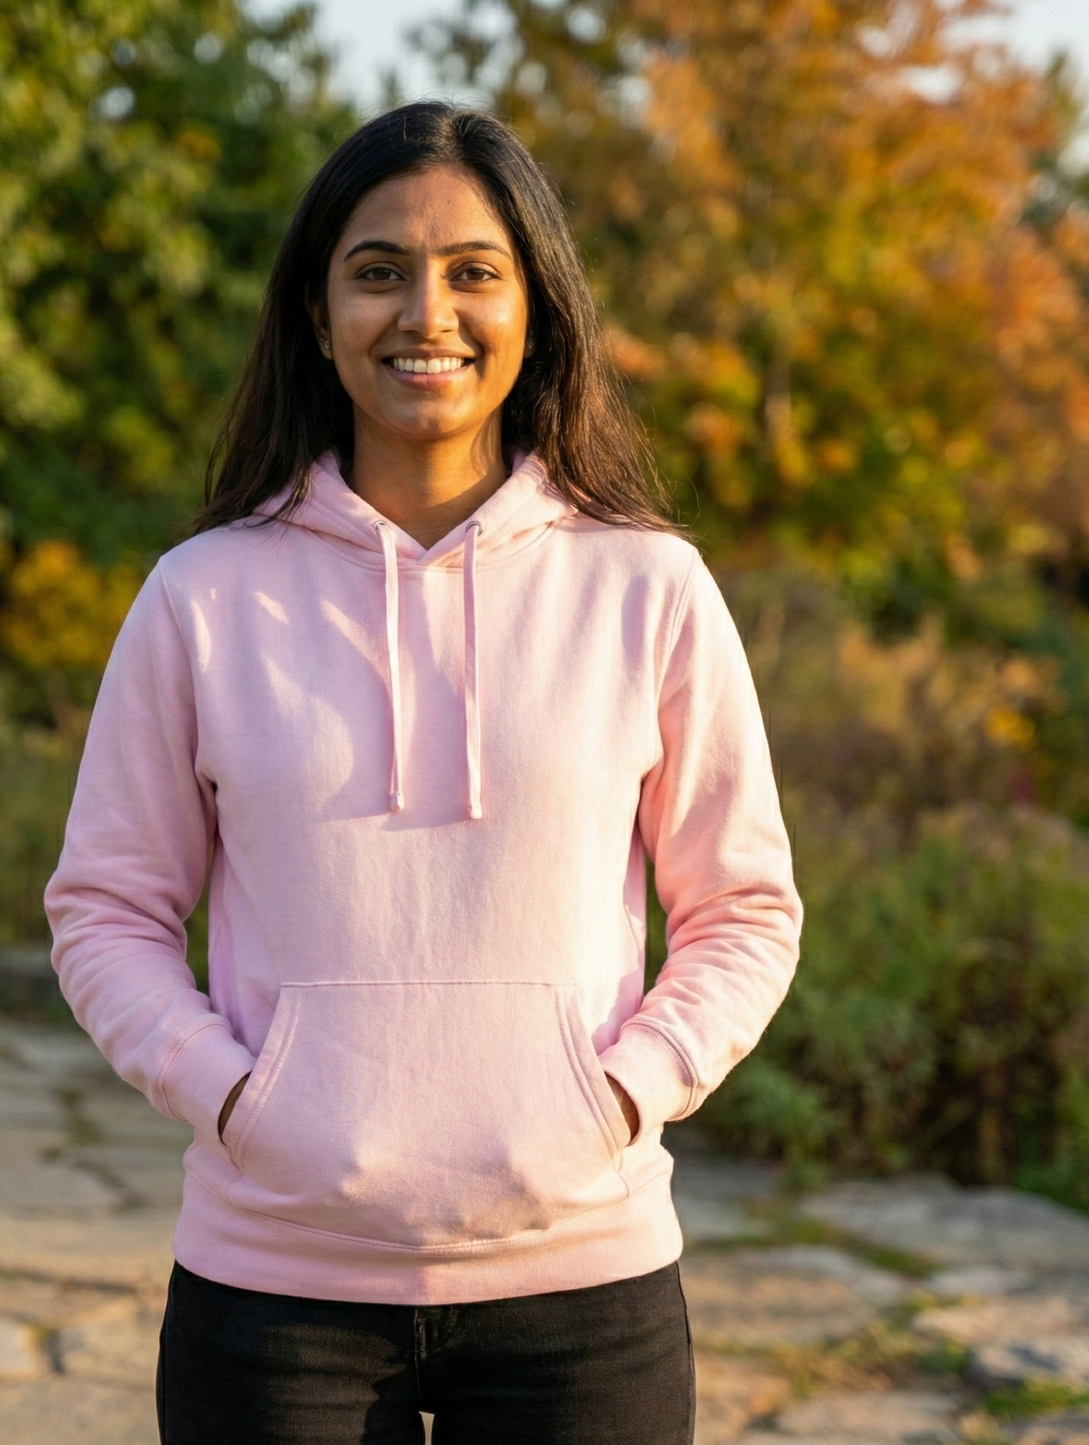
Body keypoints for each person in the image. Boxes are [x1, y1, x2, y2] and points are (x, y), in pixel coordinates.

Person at [44, 101, 802, 1445]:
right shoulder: (201, 597)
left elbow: (744, 909)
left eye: (473, 272)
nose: (426, 312)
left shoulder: (649, 588)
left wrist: (617, 1095)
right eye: (379, 268)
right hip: (273, 1295)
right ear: (318, 313)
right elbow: (106, 907)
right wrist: (233, 1098)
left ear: (537, 308)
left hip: (586, 1284)